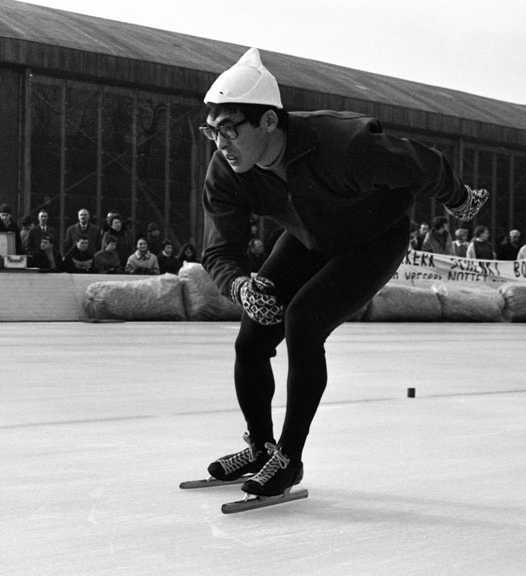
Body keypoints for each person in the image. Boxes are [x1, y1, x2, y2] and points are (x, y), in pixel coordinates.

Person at [198, 48, 488, 499]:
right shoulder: (226, 170)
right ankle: (260, 447)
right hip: (309, 237)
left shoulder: (344, 144)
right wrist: (238, 285)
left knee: (303, 320)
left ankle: (288, 459)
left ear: (270, 122)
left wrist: (459, 199)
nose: (220, 145)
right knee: (251, 338)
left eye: (230, 130)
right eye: (211, 132)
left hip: (374, 237)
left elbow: (424, 164)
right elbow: (219, 249)